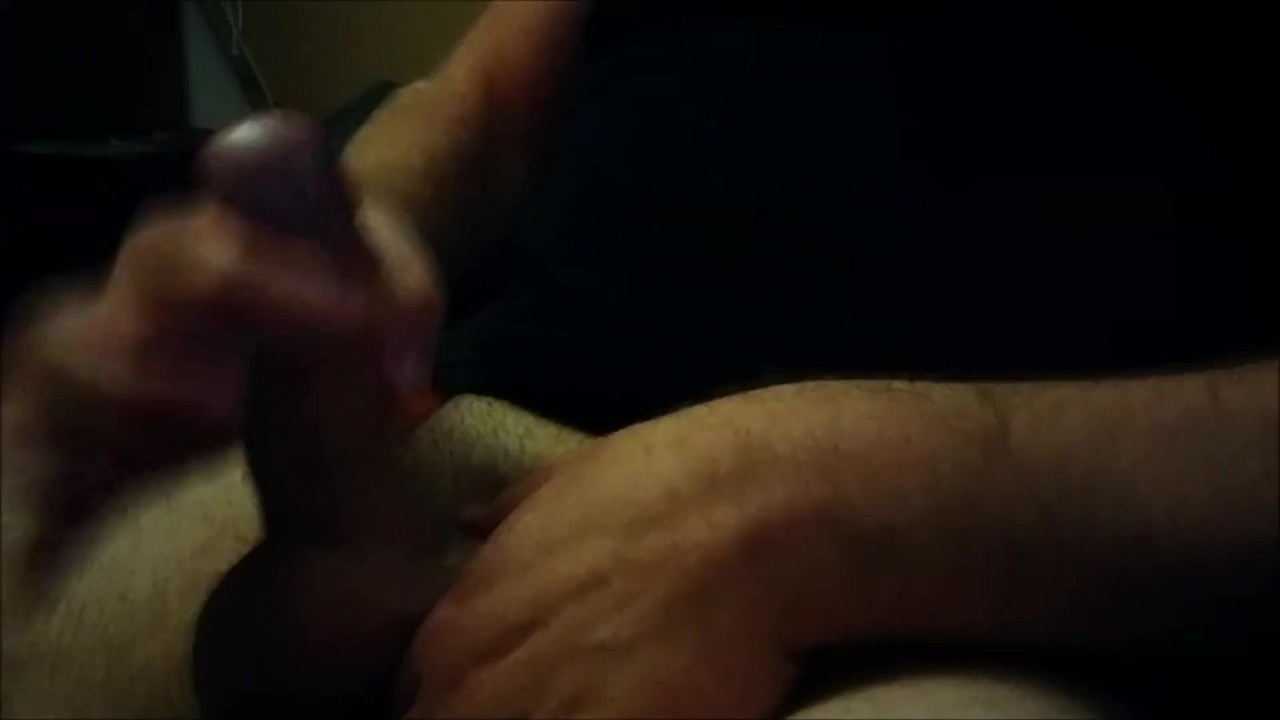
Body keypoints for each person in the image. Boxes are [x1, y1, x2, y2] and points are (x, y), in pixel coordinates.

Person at [2, 2, 1274, 717]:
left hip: (1009, 596)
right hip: (466, 435)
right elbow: (484, 104)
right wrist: (332, 252)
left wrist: (836, 510)